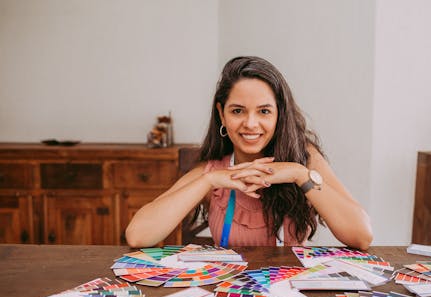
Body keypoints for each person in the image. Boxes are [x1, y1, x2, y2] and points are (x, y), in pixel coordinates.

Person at [126, 56, 372, 250]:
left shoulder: (305, 159)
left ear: (279, 113)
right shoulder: (212, 171)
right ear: (222, 113)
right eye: (237, 111)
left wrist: (299, 175)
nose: (251, 124)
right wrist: (209, 180)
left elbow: (361, 236)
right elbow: (138, 235)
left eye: (264, 111)